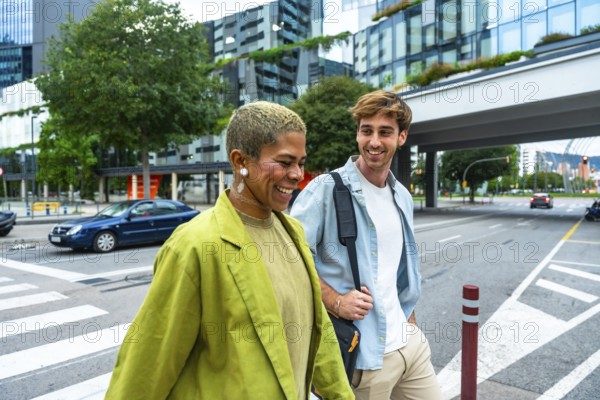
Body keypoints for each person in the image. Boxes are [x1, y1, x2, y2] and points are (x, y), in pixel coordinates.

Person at [105, 101, 354, 400]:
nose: (297, 174)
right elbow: (147, 366)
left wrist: (342, 395)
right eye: (285, 162)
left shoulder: (295, 233)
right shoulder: (194, 245)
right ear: (240, 162)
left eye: (300, 162)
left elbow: (320, 331)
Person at [291, 90, 442, 400]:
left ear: (401, 137)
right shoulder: (325, 189)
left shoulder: (402, 196)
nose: (374, 141)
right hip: (364, 357)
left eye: (384, 132)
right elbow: (290, 260)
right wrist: (336, 301)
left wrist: (410, 320)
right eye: (366, 130)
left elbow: (399, 269)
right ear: (358, 133)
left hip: (409, 346)